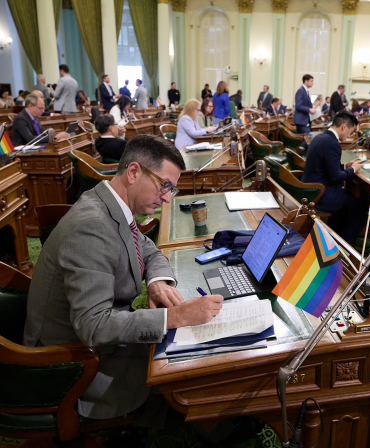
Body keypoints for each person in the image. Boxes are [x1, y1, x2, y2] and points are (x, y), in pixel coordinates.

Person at [23, 133, 224, 424]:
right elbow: (94, 325)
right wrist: (175, 317)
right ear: (133, 172)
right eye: (164, 185)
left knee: (190, 352)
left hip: (95, 341)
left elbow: (149, 249)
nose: (168, 197)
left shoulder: (112, 204)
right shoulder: (92, 227)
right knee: (189, 366)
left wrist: (156, 281)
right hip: (71, 365)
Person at [302, 111, 365, 244]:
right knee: (360, 205)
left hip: (311, 190)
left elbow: (325, 167)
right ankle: (347, 245)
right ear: (344, 126)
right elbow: (334, 178)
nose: (349, 136)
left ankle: (336, 234)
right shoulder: (333, 144)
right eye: (350, 131)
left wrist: (345, 166)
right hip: (321, 195)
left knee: (348, 194)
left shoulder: (320, 137)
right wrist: (353, 169)